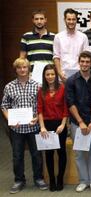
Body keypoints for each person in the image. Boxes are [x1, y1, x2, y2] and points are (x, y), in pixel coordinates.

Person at [1, 58, 48, 194]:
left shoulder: (37, 86)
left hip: (34, 127)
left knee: (36, 154)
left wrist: (37, 118)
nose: (22, 70)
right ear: (16, 70)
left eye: (25, 67)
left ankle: (38, 178)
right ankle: (19, 180)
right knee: (17, 155)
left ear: (29, 69)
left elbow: (42, 106)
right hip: (16, 128)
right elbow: (4, 106)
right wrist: (9, 119)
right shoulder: (9, 86)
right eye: (19, 68)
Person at [65, 51, 91, 192]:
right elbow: (70, 103)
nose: (85, 64)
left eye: (87, 62)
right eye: (82, 61)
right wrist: (80, 122)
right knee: (79, 153)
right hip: (76, 122)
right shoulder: (71, 80)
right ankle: (83, 180)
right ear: (79, 62)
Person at [37, 64, 68, 192]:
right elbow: (39, 110)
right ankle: (52, 180)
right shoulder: (41, 91)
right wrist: (42, 127)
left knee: (61, 153)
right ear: (44, 76)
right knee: (49, 154)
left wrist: (63, 124)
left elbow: (66, 109)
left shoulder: (62, 88)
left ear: (56, 75)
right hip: (47, 125)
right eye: (47, 74)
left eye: (52, 74)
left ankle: (60, 178)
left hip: (60, 125)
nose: (50, 77)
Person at [53, 8, 89, 81]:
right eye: (69, 19)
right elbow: (56, 57)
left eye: (73, 19)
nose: (71, 22)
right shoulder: (58, 37)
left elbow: (86, 57)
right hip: (63, 76)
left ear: (76, 20)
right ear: (64, 20)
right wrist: (60, 74)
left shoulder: (83, 37)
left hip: (80, 75)